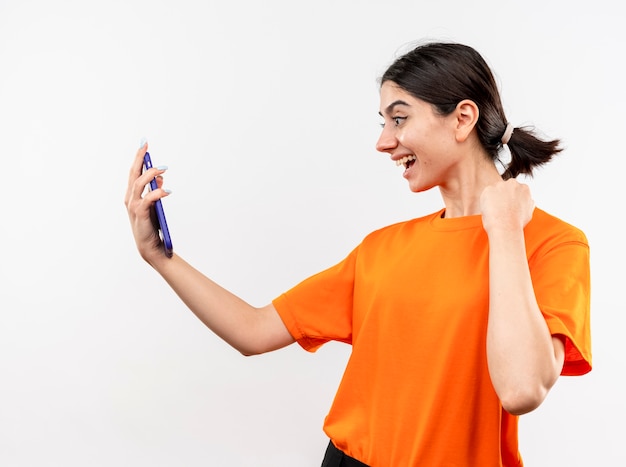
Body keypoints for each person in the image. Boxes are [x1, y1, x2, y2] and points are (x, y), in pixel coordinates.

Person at [125, 41, 591, 466]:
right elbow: (254, 330)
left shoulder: (553, 244)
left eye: (400, 118)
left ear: (462, 118)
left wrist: (505, 229)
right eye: (383, 122)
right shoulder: (383, 249)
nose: (384, 141)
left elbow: (521, 388)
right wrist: (158, 256)